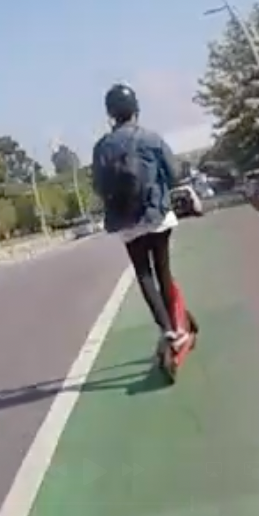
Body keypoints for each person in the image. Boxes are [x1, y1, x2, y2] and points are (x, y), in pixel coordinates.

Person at [91, 82, 191, 350]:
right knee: (163, 271)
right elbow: (173, 174)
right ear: (135, 110)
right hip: (156, 215)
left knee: (144, 275)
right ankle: (178, 328)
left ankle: (167, 330)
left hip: (125, 221)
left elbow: (98, 186)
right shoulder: (150, 138)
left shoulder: (101, 148)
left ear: (110, 114)